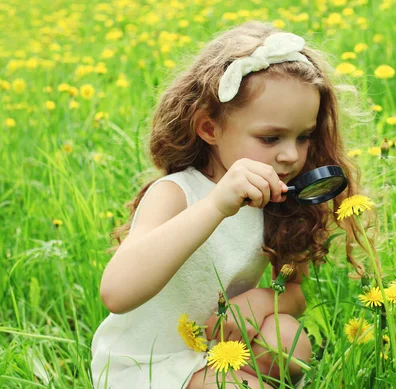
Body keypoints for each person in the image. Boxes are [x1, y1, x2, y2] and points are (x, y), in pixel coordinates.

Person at [91, 21, 367, 389]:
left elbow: (295, 293)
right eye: (270, 138)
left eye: (303, 137)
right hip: (150, 361)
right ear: (210, 129)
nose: (290, 155)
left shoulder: (281, 198)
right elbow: (116, 292)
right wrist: (217, 205)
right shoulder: (175, 193)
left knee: (290, 342)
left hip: (220, 345)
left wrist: (260, 301)